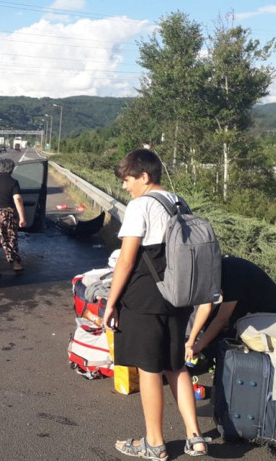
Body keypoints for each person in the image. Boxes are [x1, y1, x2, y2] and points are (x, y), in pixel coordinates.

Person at [102, 148, 208, 459]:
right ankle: (195, 438)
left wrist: (111, 302)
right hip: (179, 295)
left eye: (128, 179)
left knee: (149, 368)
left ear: (145, 177)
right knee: (176, 365)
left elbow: (126, 260)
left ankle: (154, 442)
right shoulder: (179, 201)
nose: (125, 186)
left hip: (146, 297)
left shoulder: (141, 205)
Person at [186, 256, 276, 363]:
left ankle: (213, 357)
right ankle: (205, 352)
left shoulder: (232, 276)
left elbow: (221, 319)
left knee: (226, 332)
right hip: (246, 299)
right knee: (210, 322)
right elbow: (205, 308)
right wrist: (191, 340)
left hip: (266, 309)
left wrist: (198, 346)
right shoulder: (213, 271)